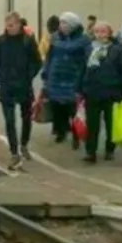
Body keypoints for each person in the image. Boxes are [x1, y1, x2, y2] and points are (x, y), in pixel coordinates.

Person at [0, 12, 43, 170]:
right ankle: (14, 152)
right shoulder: (0, 41)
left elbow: (37, 61)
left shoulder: (27, 42)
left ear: (19, 24)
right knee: (9, 120)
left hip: (23, 84)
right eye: (7, 25)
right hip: (7, 86)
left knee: (26, 116)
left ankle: (24, 144)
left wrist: (29, 75)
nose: (9, 27)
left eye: (12, 24)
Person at [82, 22, 122, 163]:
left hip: (112, 91)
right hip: (92, 91)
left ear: (109, 33)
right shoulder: (88, 49)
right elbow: (82, 70)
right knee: (92, 124)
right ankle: (91, 152)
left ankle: (110, 150)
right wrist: (80, 88)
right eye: (97, 32)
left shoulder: (117, 50)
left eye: (103, 31)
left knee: (111, 124)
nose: (100, 34)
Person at [42, 12, 90, 148]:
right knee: (58, 108)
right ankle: (61, 131)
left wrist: (84, 76)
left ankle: (76, 134)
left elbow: (87, 59)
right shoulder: (55, 38)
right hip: (56, 78)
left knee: (73, 109)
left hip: (73, 78)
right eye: (61, 23)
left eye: (65, 23)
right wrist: (46, 73)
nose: (62, 26)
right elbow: (49, 57)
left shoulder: (83, 40)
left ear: (73, 25)